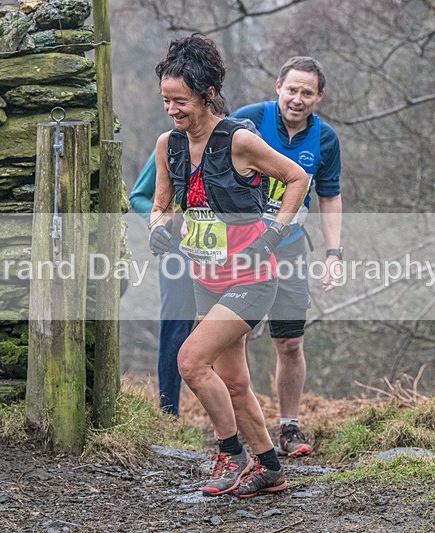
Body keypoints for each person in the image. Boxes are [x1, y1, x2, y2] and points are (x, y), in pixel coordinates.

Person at [149, 34, 309, 497]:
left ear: (206, 93)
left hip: (252, 277)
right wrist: (158, 227)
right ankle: (270, 467)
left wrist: (275, 234)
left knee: (191, 361)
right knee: (235, 382)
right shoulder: (169, 145)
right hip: (206, 277)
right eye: (166, 101)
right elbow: (162, 206)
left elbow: (297, 177)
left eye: (180, 101)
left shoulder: (238, 139)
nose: (173, 110)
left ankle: (229, 453)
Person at [231, 56, 343, 458]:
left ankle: (289, 427)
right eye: (292, 89)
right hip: (241, 247)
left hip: (291, 247)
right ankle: (237, 425)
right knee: (234, 336)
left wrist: (334, 253)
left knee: (291, 342)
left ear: (319, 97)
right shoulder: (248, 119)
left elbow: (330, 195)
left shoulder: (325, 139)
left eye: (307, 93)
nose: (297, 99)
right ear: (278, 86)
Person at [128, 96, 232, 417]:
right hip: (179, 249)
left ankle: (225, 416)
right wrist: (168, 224)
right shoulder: (172, 146)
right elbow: (141, 197)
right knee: (176, 326)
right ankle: (168, 413)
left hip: (223, 253)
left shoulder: (234, 144)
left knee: (224, 336)